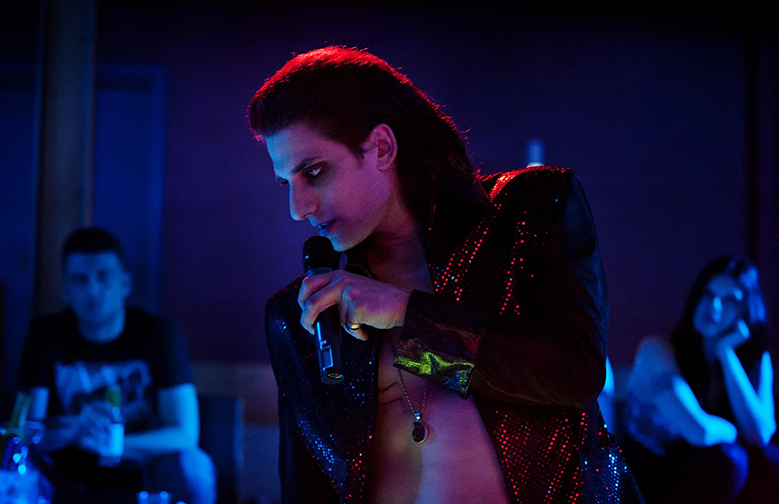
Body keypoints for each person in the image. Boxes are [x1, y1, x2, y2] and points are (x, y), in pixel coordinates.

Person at [248, 45, 643, 503]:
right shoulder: (302, 315)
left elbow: (573, 374)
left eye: (314, 172)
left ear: (380, 147)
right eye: (286, 183)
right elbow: (308, 488)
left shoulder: (526, 213)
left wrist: (408, 316)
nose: (298, 209)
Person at [16, 227, 216, 504]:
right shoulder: (45, 335)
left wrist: (114, 443)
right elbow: (25, 433)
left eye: (103, 277)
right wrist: (75, 430)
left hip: (141, 472)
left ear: (125, 284)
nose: (93, 290)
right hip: (65, 476)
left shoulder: (159, 334)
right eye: (80, 279)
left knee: (195, 466)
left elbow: (185, 434)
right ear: (65, 289)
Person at [622, 256, 779, 504]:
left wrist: (726, 353)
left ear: (746, 311)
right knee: (731, 460)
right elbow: (700, 432)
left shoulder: (754, 359)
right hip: (650, 475)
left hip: (705, 472)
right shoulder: (656, 350)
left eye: (730, 300)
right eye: (708, 294)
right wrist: (735, 431)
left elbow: (760, 434)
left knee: (771, 459)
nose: (714, 306)